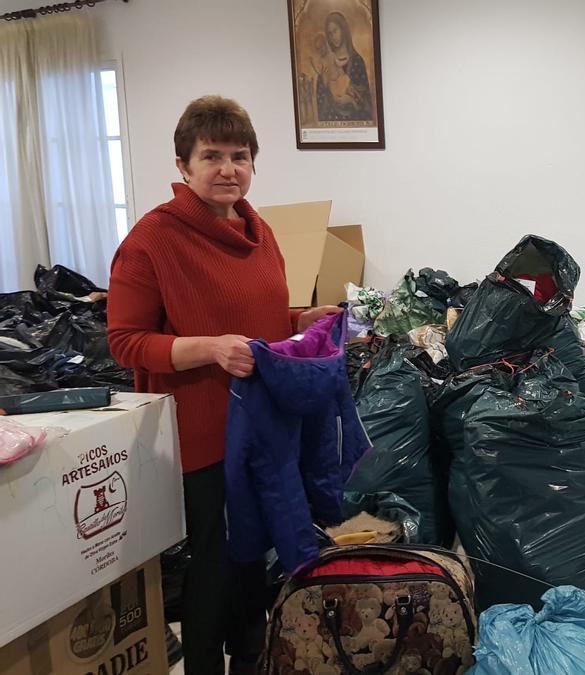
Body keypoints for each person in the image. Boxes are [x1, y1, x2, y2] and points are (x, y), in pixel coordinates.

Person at [107, 96, 339, 674]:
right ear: (184, 165)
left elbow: (259, 315)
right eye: (211, 155)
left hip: (263, 424)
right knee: (214, 560)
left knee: (254, 556)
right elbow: (126, 341)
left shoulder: (259, 232)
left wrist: (297, 321)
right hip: (204, 432)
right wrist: (211, 348)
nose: (227, 168)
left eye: (240, 156)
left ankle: (252, 657)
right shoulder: (153, 240)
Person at [315, 11, 373, 122]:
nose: (333, 36)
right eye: (330, 34)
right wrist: (325, 84)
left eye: (335, 31)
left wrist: (350, 101)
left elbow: (366, 101)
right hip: (332, 122)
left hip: (355, 122)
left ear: (343, 29)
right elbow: (321, 99)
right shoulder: (327, 62)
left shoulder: (357, 61)